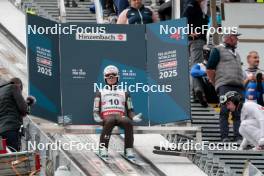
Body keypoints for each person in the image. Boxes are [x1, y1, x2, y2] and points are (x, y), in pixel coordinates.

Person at [93, 65, 142, 158]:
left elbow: (130, 109)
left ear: (117, 77)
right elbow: (96, 109)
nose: (111, 78)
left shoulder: (125, 92)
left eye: (113, 76)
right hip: (107, 116)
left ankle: (128, 149)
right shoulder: (100, 92)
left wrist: (134, 117)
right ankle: (103, 148)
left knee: (128, 122)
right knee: (110, 121)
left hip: (120, 116)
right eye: (108, 76)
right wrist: (96, 116)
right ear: (105, 78)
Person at [207, 33, 244, 142]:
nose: (237, 39)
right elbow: (209, 69)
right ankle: (225, 137)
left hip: (238, 86)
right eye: (235, 37)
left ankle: (238, 136)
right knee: (224, 110)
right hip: (225, 85)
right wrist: (216, 84)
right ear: (229, 38)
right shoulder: (217, 49)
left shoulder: (237, 53)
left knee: (238, 112)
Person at [182, 0, 209, 104]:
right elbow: (183, 19)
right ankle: (199, 91)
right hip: (196, 41)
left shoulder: (198, 7)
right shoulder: (192, 5)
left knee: (195, 65)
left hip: (194, 40)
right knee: (196, 66)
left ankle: (195, 94)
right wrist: (189, 32)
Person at [0, 78, 36, 152]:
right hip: (10, 129)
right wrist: (28, 105)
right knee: (14, 157)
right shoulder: (14, 87)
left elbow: (8, 107)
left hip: (1, 131)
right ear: (19, 86)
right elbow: (23, 109)